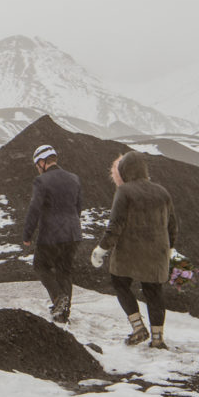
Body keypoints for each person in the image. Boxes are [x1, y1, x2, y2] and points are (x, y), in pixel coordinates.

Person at [91, 151, 178, 349]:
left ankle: (138, 327)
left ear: (125, 171)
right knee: (154, 291)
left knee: (120, 282)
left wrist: (102, 249)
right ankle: (158, 339)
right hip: (158, 253)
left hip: (130, 251)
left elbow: (116, 225)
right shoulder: (163, 192)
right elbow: (172, 224)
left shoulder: (125, 191)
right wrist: (170, 247)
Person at [22, 144, 83, 324]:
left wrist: (27, 234)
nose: (37, 169)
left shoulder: (42, 181)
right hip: (73, 233)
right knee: (64, 271)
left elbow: (34, 209)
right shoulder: (74, 178)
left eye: (36, 165)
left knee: (40, 266)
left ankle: (58, 299)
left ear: (42, 161)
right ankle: (63, 314)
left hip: (50, 235)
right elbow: (78, 208)